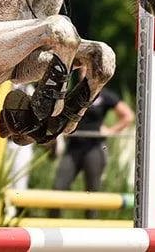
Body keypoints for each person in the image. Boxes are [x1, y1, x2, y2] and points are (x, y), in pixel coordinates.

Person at [48, 88, 134, 219]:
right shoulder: (72, 93)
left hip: (94, 147)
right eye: (82, 68)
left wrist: (110, 131)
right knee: (58, 187)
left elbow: (128, 116)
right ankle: (52, 227)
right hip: (73, 147)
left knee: (92, 192)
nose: (85, 70)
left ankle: (92, 230)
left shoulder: (104, 96)